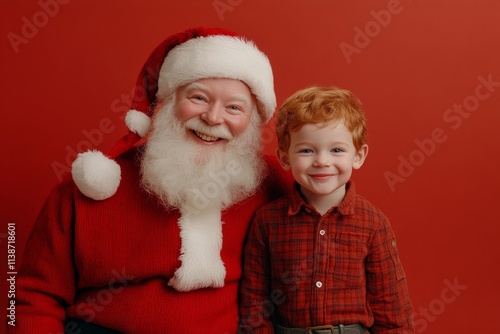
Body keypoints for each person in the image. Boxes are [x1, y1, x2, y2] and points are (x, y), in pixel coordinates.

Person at [10, 27, 293, 334]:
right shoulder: (92, 185)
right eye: (198, 97)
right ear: (167, 101)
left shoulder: (274, 183)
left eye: (234, 107)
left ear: (253, 120)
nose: (213, 118)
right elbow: (34, 296)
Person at [239, 86, 414, 333]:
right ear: (285, 157)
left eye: (337, 150)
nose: (322, 161)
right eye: (307, 150)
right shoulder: (267, 222)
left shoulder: (373, 223)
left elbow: (392, 307)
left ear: (358, 155)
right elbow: (254, 302)